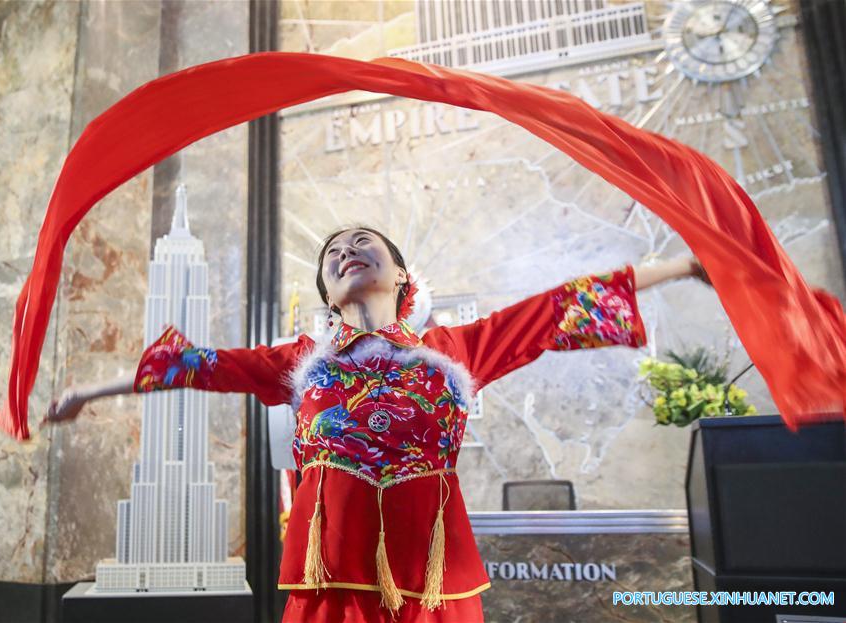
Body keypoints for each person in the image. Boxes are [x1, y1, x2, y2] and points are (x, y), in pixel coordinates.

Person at [43, 225, 711, 622]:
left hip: (432, 581)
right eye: (334, 250)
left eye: (364, 244)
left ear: (400, 275)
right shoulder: (298, 362)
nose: (347, 250)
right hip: (331, 581)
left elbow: (557, 310)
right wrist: (86, 391)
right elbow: (195, 364)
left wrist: (684, 264)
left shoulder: (452, 349)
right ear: (327, 285)